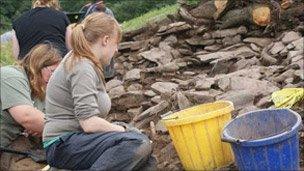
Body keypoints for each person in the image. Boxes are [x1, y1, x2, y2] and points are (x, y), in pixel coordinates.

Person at [43, 12, 156, 170]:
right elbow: (89, 123)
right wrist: (124, 130)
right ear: (106, 40)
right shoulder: (81, 66)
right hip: (63, 144)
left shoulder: (84, 61)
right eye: (116, 43)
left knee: (146, 158)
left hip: (75, 140)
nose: (116, 50)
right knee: (136, 143)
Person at [0, 42, 62, 148]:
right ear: (37, 66)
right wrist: (69, 127)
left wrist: (39, 128)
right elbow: (27, 117)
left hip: (11, 145)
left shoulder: (40, 90)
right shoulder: (10, 76)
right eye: (52, 71)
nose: (54, 77)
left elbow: (44, 121)